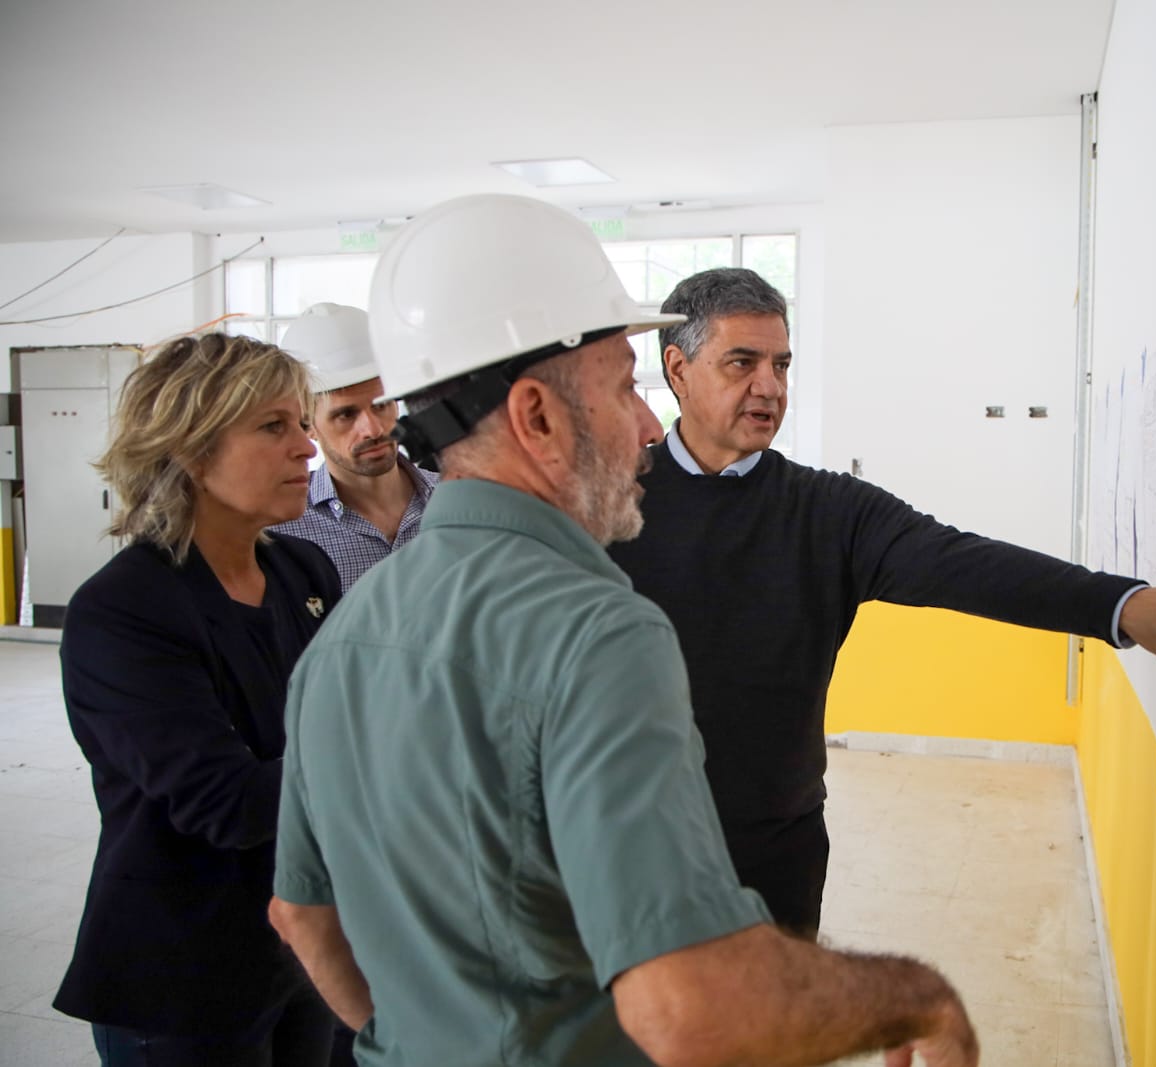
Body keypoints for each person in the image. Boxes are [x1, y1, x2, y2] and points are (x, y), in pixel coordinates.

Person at [266, 194, 979, 1067]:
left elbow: (302, 913)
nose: (646, 426)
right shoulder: (598, 633)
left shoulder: (343, 636)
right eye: (623, 386)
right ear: (536, 417)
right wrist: (918, 998)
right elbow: (690, 1010)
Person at [606, 267, 1156, 936]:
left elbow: (965, 565)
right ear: (678, 367)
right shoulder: (610, 504)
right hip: (632, 842)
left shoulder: (827, 511)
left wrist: (1121, 606)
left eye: (782, 364)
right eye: (742, 363)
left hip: (775, 847)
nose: (770, 387)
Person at [54, 332, 342, 1065]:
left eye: (303, 423)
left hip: (299, 944)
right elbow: (228, 801)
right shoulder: (123, 609)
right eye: (274, 426)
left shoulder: (301, 571)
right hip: (180, 971)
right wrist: (393, 746)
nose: (307, 448)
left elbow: (334, 721)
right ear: (187, 446)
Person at [270, 302, 439, 592]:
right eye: (345, 415)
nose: (372, 429)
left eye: (381, 405)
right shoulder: (283, 529)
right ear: (307, 424)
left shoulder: (458, 502)